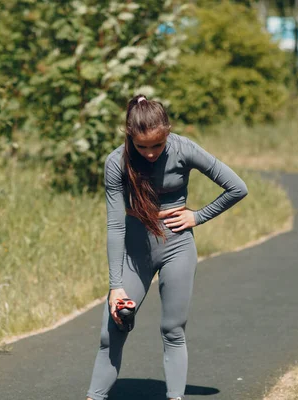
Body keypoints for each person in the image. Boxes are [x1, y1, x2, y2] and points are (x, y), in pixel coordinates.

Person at [86, 94, 249, 400]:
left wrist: (198, 216)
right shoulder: (115, 162)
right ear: (129, 137)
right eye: (141, 146)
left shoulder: (184, 148)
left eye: (157, 146)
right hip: (135, 250)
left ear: (167, 134)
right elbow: (115, 225)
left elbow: (237, 187)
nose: (149, 153)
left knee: (172, 329)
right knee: (112, 332)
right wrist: (116, 285)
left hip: (177, 246)